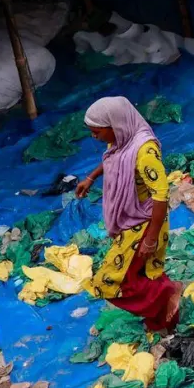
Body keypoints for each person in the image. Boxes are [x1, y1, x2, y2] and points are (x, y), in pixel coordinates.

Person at [75, 96, 181, 333]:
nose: (95, 137)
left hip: (144, 221)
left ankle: (168, 294)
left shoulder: (145, 151)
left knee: (110, 280)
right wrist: (91, 178)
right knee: (142, 273)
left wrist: (151, 238)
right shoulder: (123, 140)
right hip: (130, 219)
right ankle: (162, 323)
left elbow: (161, 195)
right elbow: (114, 158)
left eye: (97, 132)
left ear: (116, 125)